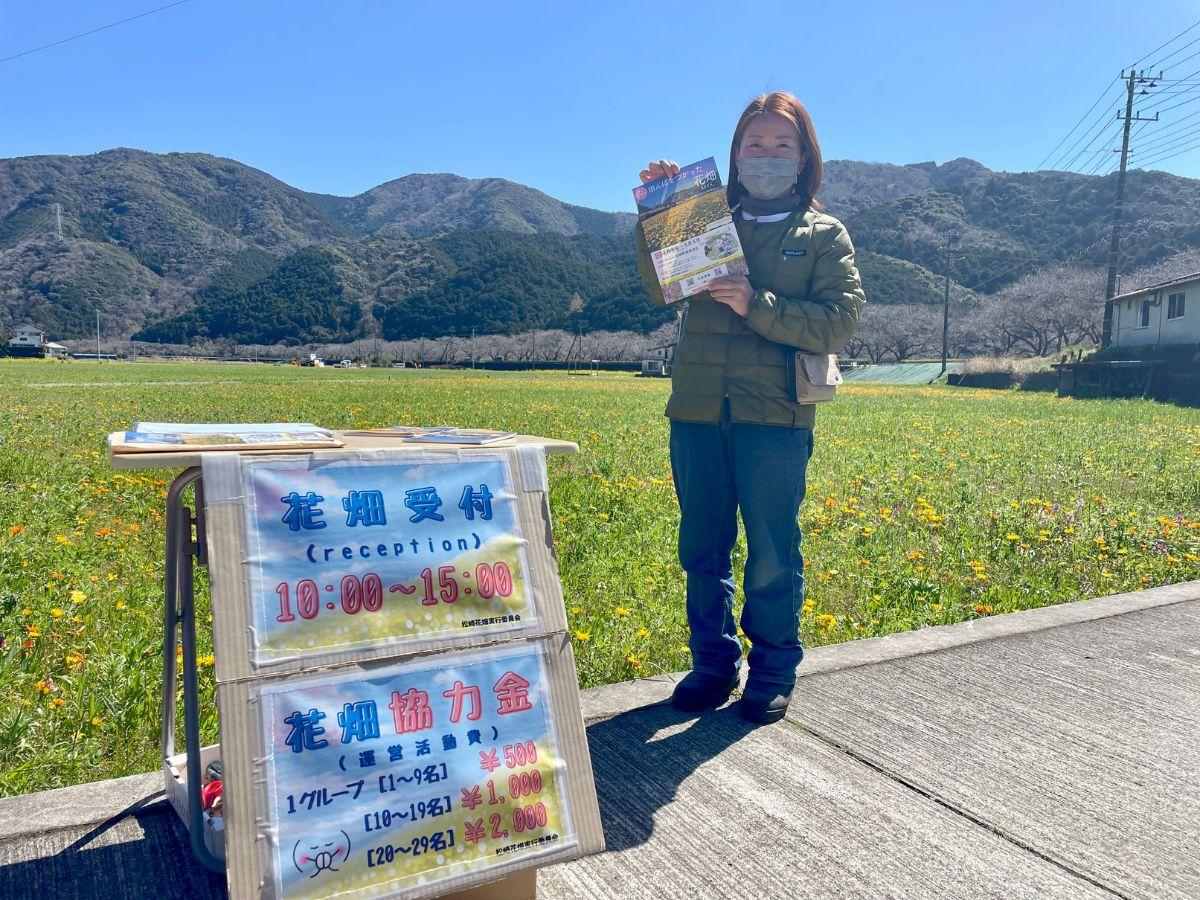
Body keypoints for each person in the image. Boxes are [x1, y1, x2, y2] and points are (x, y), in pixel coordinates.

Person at [634, 91, 867, 724]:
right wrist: (663, 210)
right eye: (754, 145)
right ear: (735, 156)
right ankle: (712, 664)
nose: (766, 156)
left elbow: (839, 322)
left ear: (804, 157)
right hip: (698, 411)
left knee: (771, 547)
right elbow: (661, 287)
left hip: (776, 416)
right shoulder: (708, 223)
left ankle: (771, 669)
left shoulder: (822, 234)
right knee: (702, 545)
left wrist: (756, 303)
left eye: (781, 145)